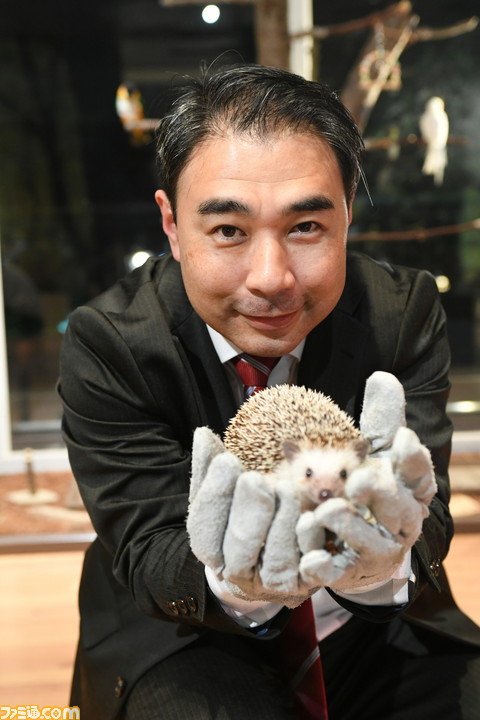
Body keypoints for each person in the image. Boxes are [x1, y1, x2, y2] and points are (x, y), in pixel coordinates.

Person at [58, 63, 480, 720]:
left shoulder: (402, 312)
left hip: (376, 621)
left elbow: (427, 510)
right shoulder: (109, 342)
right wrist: (239, 581)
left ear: (347, 214)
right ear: (172, 225)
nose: (271, 278)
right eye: (228, 230)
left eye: (306, 226)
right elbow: (149, 545)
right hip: (183, 626)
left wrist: (381, 562)